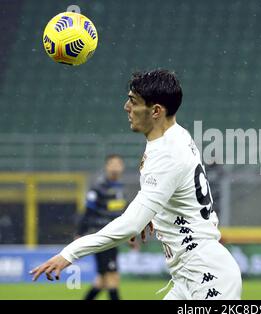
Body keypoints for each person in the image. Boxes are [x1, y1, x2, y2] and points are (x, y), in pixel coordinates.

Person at [31, 69, 242, 300]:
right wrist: (154, 213)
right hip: (188, 276)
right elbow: (178, 191)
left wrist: (70, 253)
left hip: (207, 277)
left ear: (156, 111)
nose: (126, 107)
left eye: (133, 101)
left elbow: (130, 225)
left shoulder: (168, 153)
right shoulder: (174, 136)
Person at [76, 154, 127, 300]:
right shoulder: (98, 187)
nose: (116, 167)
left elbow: (123, 214)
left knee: (102, 280)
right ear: (107, 166)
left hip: (114, 237)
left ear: (122, 167)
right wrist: (80, 232)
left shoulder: (120, 188)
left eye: (118, 164)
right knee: (112, 277)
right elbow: (87, 211)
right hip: (102, 236)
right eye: (113, 164)